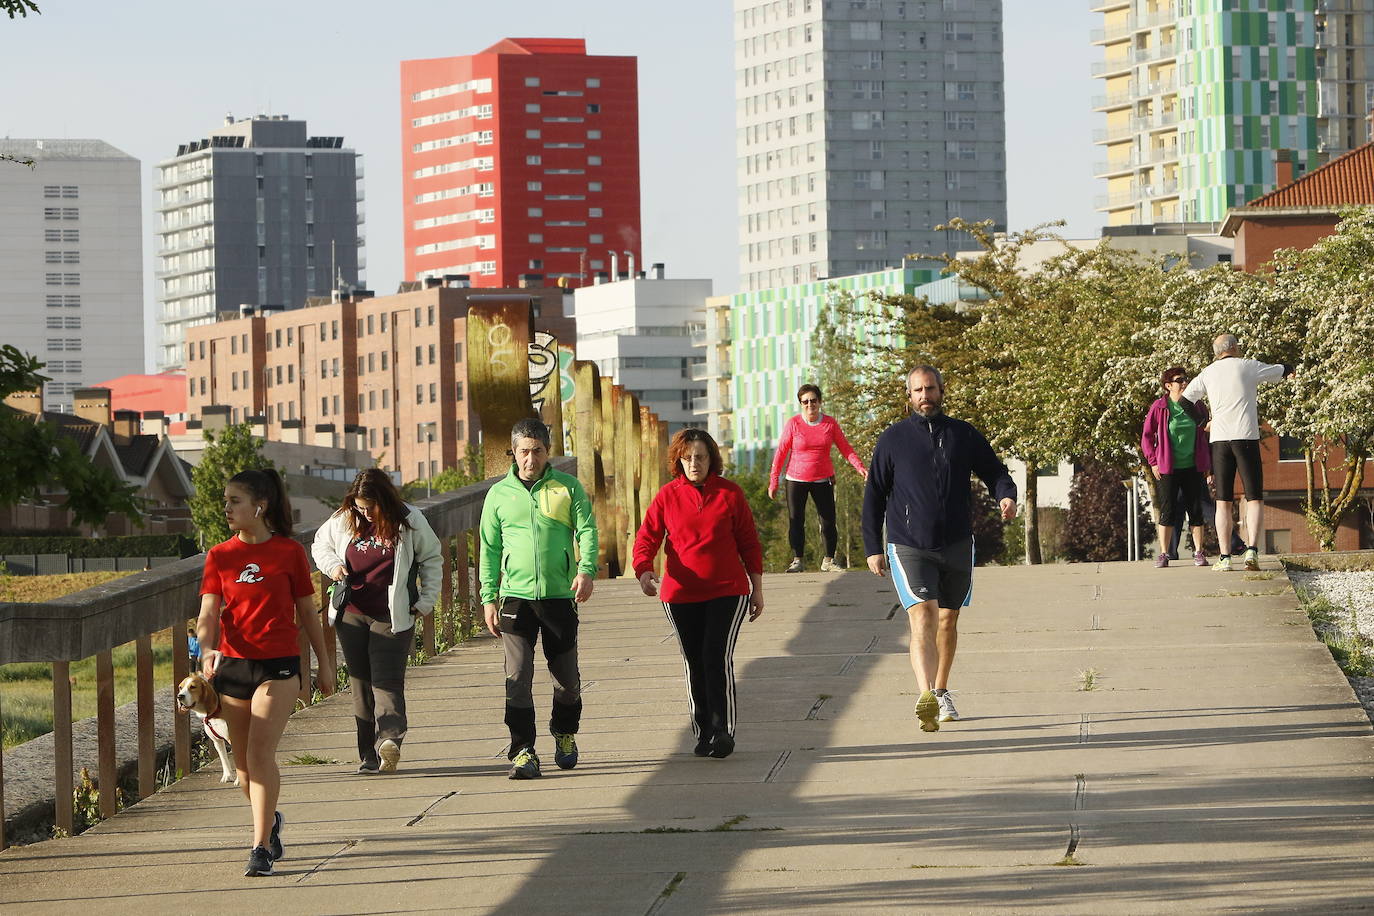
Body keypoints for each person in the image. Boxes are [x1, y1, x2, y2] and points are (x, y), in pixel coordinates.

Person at [196, 468, 335, 878]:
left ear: (260, 505)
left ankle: (259, 848)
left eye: (233, 501)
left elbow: (308, 612)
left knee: (260, 754)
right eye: (225, 502)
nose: (226, 509)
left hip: (279, 666)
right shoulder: (219, 556)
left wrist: (324, 664)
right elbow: (207, 612)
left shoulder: (289, 552)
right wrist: (206, 648)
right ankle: (271, 821)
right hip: (233, 667)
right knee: (242, 772)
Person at [861, 366, 1016, 733]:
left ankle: (942, 690)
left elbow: (995, 471)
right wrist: (872, 547)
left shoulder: (962, 434)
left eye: (930, 389)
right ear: (909, 396)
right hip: (908, 544)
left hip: (957, 541)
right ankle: (926, 696)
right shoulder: (892, 439)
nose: (924, 396)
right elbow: (874, 496)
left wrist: (1006, 495)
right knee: (923, 615)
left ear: (941, 391)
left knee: (948, 618)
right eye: (917, 390)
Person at [633, 428, 764, 759]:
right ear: (678, 459)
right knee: (694, 661)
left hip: (727, 591)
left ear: (712, 460)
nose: (694, 463)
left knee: (714, 656)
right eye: (688, 457)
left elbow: (749, 542)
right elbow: (647, 537)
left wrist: (757, 587)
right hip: (680, 595)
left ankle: (723, 730)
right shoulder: (667, 496)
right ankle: (703, 730)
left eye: (701, 457)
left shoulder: (730, 495)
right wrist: (644, 569)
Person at [479, 418, 598, 780]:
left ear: (549, 452)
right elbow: (489, 547)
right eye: (524, 452)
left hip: (559, 597)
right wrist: (488, 596)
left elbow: (587, 529)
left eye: (538, 451)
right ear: (513, 454)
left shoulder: (567, 487)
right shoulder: (498, 494)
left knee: (566, 680)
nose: (531, 459)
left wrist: (586, 569)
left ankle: (564, 732)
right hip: (515, 598)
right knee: (517, 677)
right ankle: (523, 751)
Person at [312, 468, 443, 775]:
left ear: (384, 500)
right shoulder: (344, 518)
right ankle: (367, 756)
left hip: (392, 614)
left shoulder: (409, 521)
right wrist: (333, 567)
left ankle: (390, 741)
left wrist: (425, 602)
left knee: (386, 680)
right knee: (360, 684)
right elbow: (319, 545)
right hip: (352, 612)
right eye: (360, 507)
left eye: (370, 507)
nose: (365, 513)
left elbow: (432, 558)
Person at [1183, 333, 1292, 572]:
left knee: (1223, 501)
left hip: (1220, 440)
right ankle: (1251, 551)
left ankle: (1225, 557)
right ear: (1235, 347)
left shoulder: (1208, 373)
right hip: (1246, 438)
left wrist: (1203, 423)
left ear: (1216, 352)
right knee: (1254, 497)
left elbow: (1184, 401)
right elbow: (1279, 370)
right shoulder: (1248, 366)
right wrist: (1291, 367)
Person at [768, 384, 868, 573]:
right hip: (795, 479)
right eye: (805, 401)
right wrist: (774, 480)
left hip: (823, 479)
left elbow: (845, 448)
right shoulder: (793, 424)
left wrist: (860, 467)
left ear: (820, 402)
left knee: (828, 520)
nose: (809, 404)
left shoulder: (829, 424)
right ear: (800, 404)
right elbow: (781, 453)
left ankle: (828, 560)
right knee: (796, 519)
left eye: (813, 400)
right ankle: (797, 560)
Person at [1141, 367, 1212, 568]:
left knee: (1196, 509)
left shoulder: (1197, 406)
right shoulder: (1160, 407)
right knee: (1168, 511)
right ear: (1168, 385)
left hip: (1194, 466)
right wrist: (1153, 461)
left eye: (1185, 379)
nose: (1184, 383)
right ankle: (1164, 553)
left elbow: (1206, 434)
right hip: (1168, 468)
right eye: (1179, 380)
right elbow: (1146, 436)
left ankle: (1199, 552)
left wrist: (1208, 464)